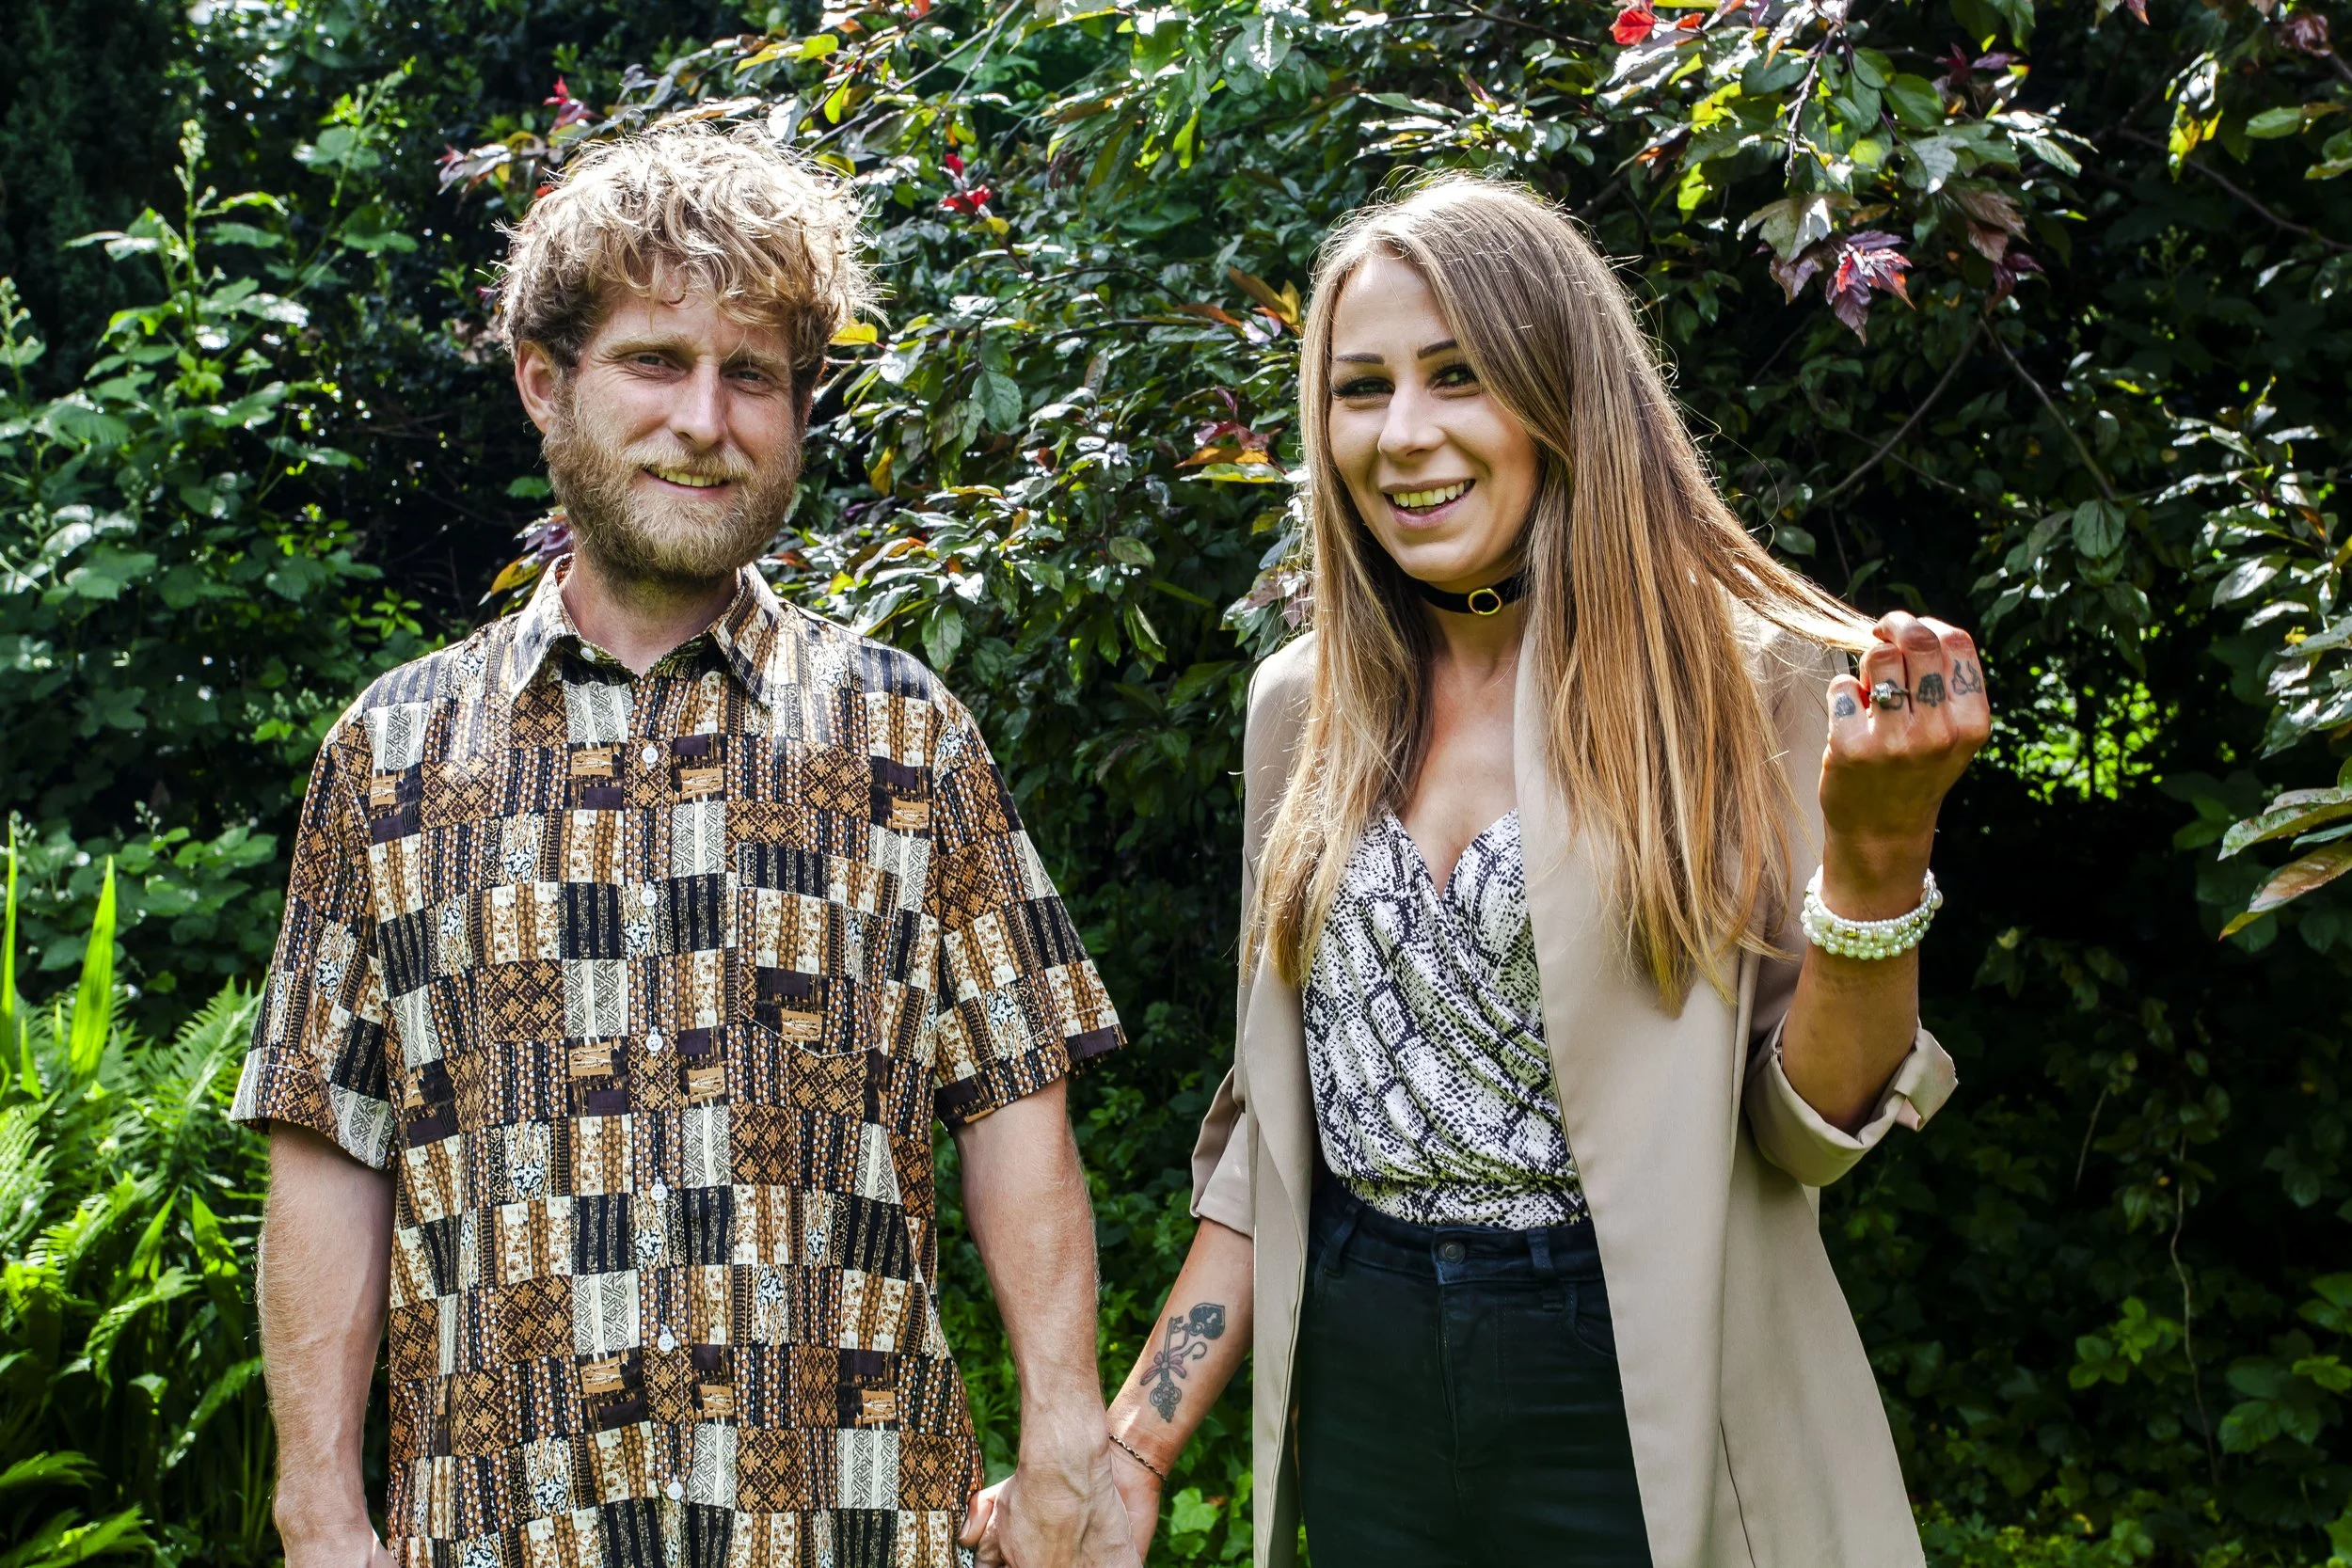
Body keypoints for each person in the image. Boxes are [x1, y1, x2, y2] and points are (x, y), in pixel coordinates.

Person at [231, 125, 1140, 1568]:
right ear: (545, 380)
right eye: (657, 359)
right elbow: (331, 1148)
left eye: (753, 375)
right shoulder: (388, 757)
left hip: (852, 1524)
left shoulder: (907, 736)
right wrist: (318, 1510)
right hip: (502, 1532)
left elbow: (1017, 1113)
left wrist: (1063, 1447)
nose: (704, 419)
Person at [1088, 177, 1986, 1567]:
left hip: (1630, 1376)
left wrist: (1878, 859)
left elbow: (1809, 1135)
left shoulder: (1748, 684)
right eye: (1360, 387)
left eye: (1459, 376)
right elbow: (1277, 1131)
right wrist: (1134, 1444)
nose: (1403, 436)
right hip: (1367, 1380)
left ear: (1561, 391)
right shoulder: (1300, 706)